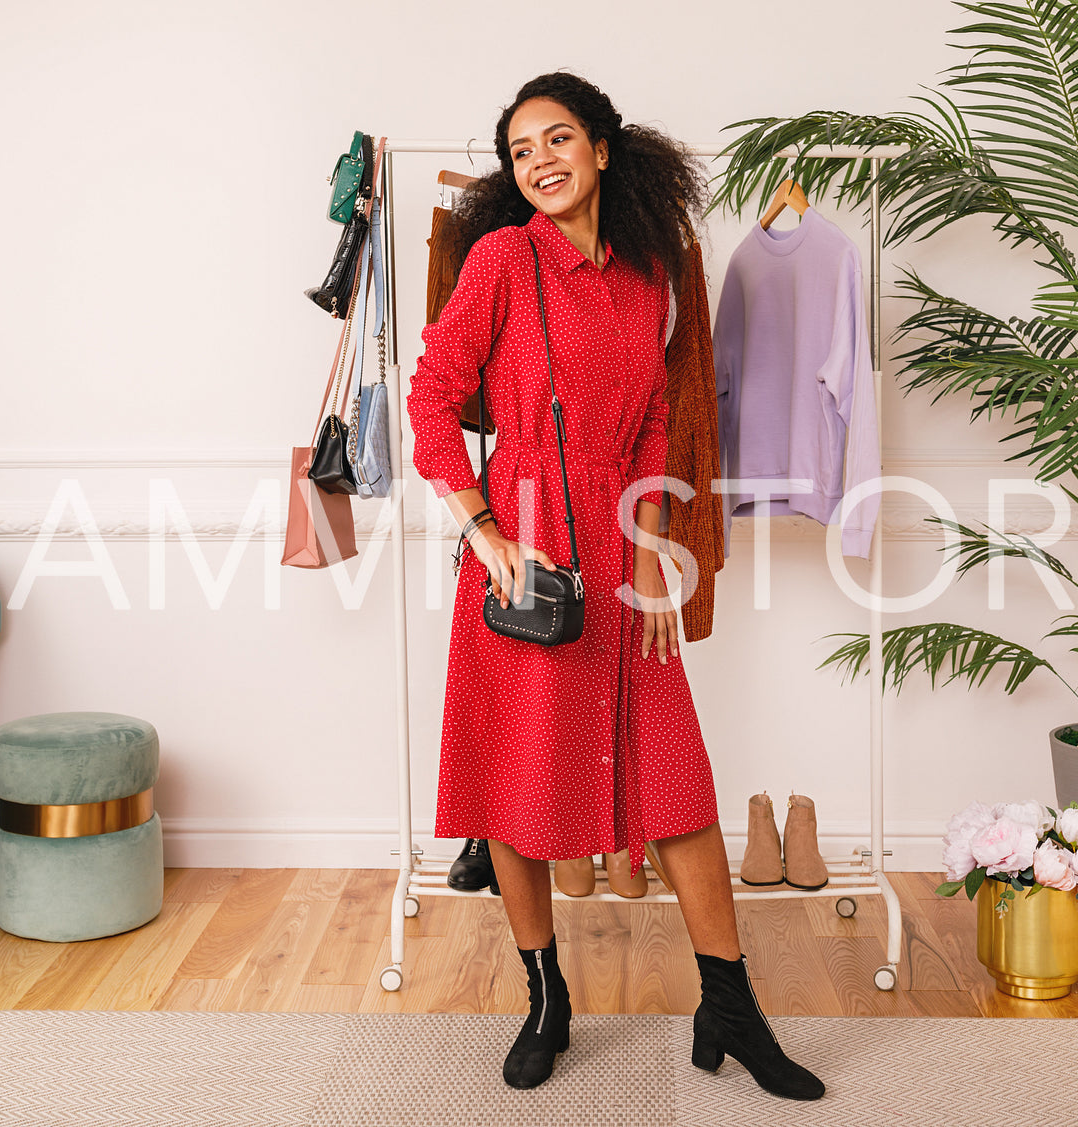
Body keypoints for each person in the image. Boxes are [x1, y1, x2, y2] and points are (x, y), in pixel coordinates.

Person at [405, 72, 824, 1102]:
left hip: (623, 558)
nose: (538, 161)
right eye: (519, 151)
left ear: (600, 149)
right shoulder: (503, 259)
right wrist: (485, 526)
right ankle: (544, 996)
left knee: (674, 779)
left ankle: (728, 1003)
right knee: (516, 786)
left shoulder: (644, 275)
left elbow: (645, 421)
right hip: (528, 555)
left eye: (557, 139)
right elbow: (430, 397)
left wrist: (643, 543)